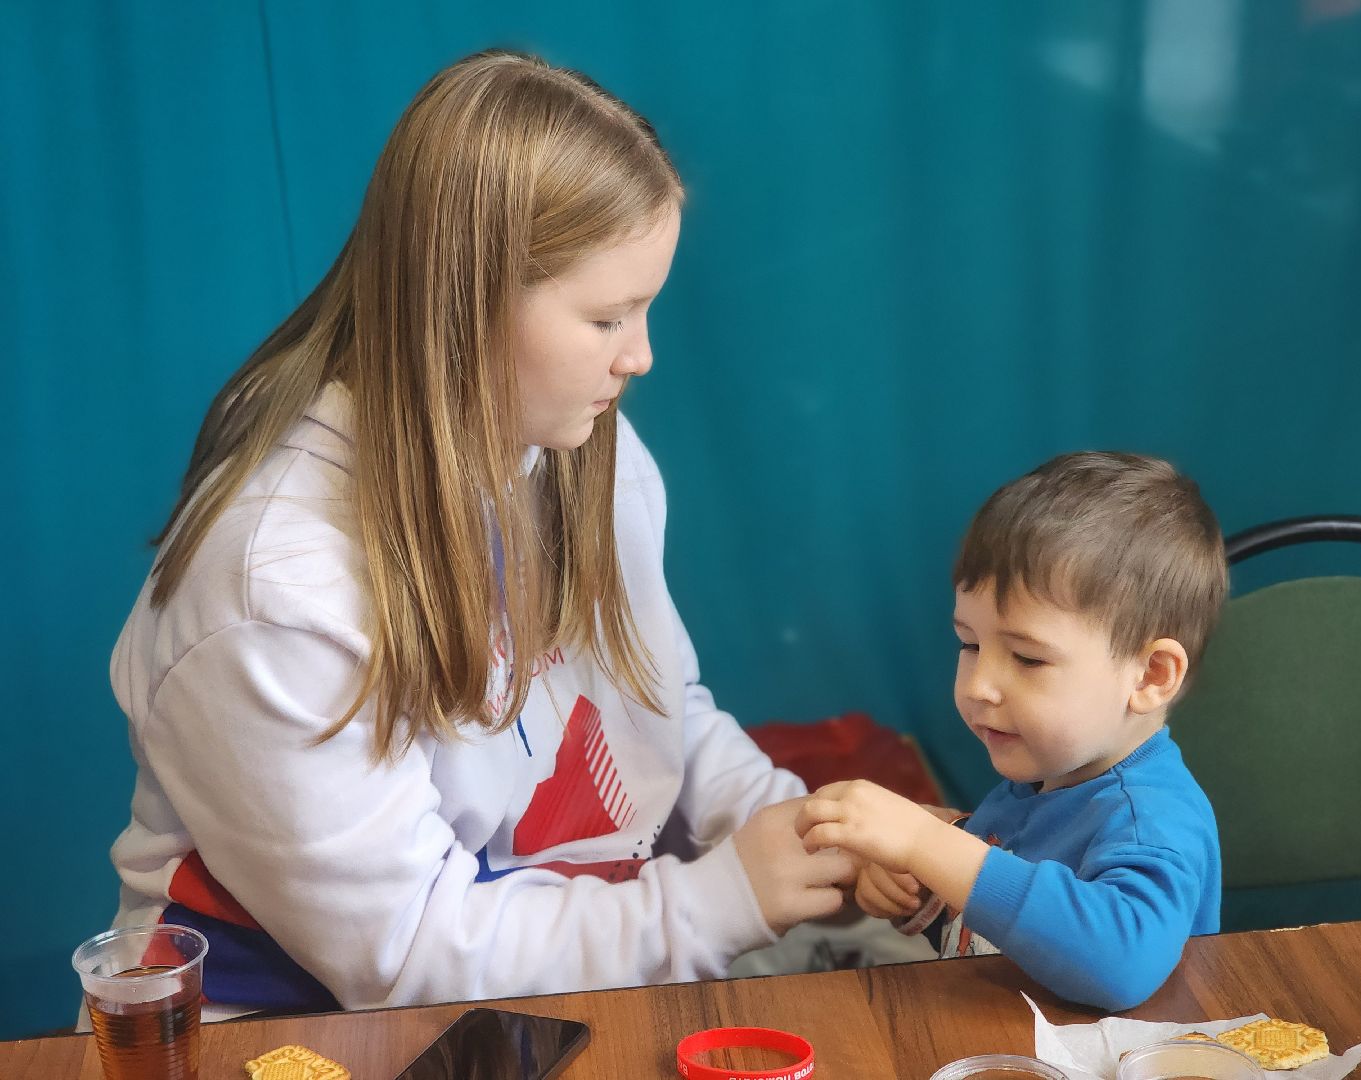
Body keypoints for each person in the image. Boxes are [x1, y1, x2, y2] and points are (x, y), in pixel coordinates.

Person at [105, 49, 852, 1021]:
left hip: (541, 991)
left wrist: (796, 822)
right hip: (289, 1033)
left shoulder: (589, 449)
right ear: (463, 301)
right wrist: (721, 900)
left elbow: (656, 708)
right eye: (607, 316)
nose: (642, 355)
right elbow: (408, 958)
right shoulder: (273, 588)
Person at [796, 452, 1229, 1011]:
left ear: (1150, 675)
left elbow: (1120, 965)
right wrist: (917, 888)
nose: (979, 685)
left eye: (1027, 659)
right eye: (970, 644)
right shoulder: (1039, 784)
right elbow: (998, 941)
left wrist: (927, 843)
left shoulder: (1150, 819)